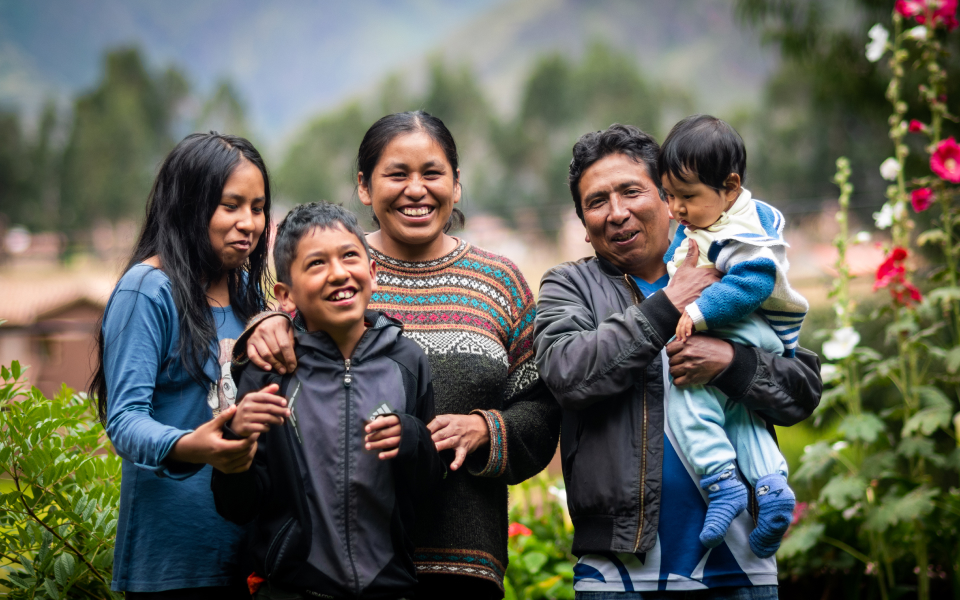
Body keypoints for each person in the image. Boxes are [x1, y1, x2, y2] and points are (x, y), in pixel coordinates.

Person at [234, 111, 561, 599]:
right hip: (328, 572)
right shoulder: (334, 265)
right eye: (397, 174)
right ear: (364, 187)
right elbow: (275, 348)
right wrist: (268, 322)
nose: (416, 189)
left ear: (455, 184)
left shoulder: (502, 282)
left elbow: (540, 409)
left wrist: (485, 429)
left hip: (462, 560)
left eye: (432, 173)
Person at [533, 124, 822, 598]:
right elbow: (566, 372)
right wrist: (668, 305)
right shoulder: (570, 286)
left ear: (668, 198)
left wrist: (732, 363)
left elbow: (801, 391)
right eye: (596, 202)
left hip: (740, 563)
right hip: (620, 570)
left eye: (631, 191)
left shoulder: (729, 266)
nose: (617, 213)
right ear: (583, 226)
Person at [211, 202, 445, 600]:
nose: (338, 273)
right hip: (293, 588)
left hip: (390, 587)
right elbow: (239, 506)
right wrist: (236, 445)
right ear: (285, 295)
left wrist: (412, 437)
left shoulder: (407, 361)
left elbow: (429, 486)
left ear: (372, 272)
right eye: (316, 264)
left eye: (349, 256)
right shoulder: (268, 372)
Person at [90, 132, 274, 598]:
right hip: (172, 565)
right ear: (190, 205)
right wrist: (194, 445)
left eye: (257, 207)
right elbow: (125, 421)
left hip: (248, 556)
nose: (248, 223)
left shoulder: (249, 292)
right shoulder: (148, 291)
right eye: (230, 205)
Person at [660, 115, 807, 558]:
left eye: (687, 197)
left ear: (730, 186)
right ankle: (772, 487)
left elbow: (754, 281)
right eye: (669, 195)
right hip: (750, 338)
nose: (676, 209)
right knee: (744, 415)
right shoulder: (716, 220)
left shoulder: (743, 230)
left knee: (686, 392)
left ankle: (721, 480)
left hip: (745, 327)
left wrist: (697, 314)